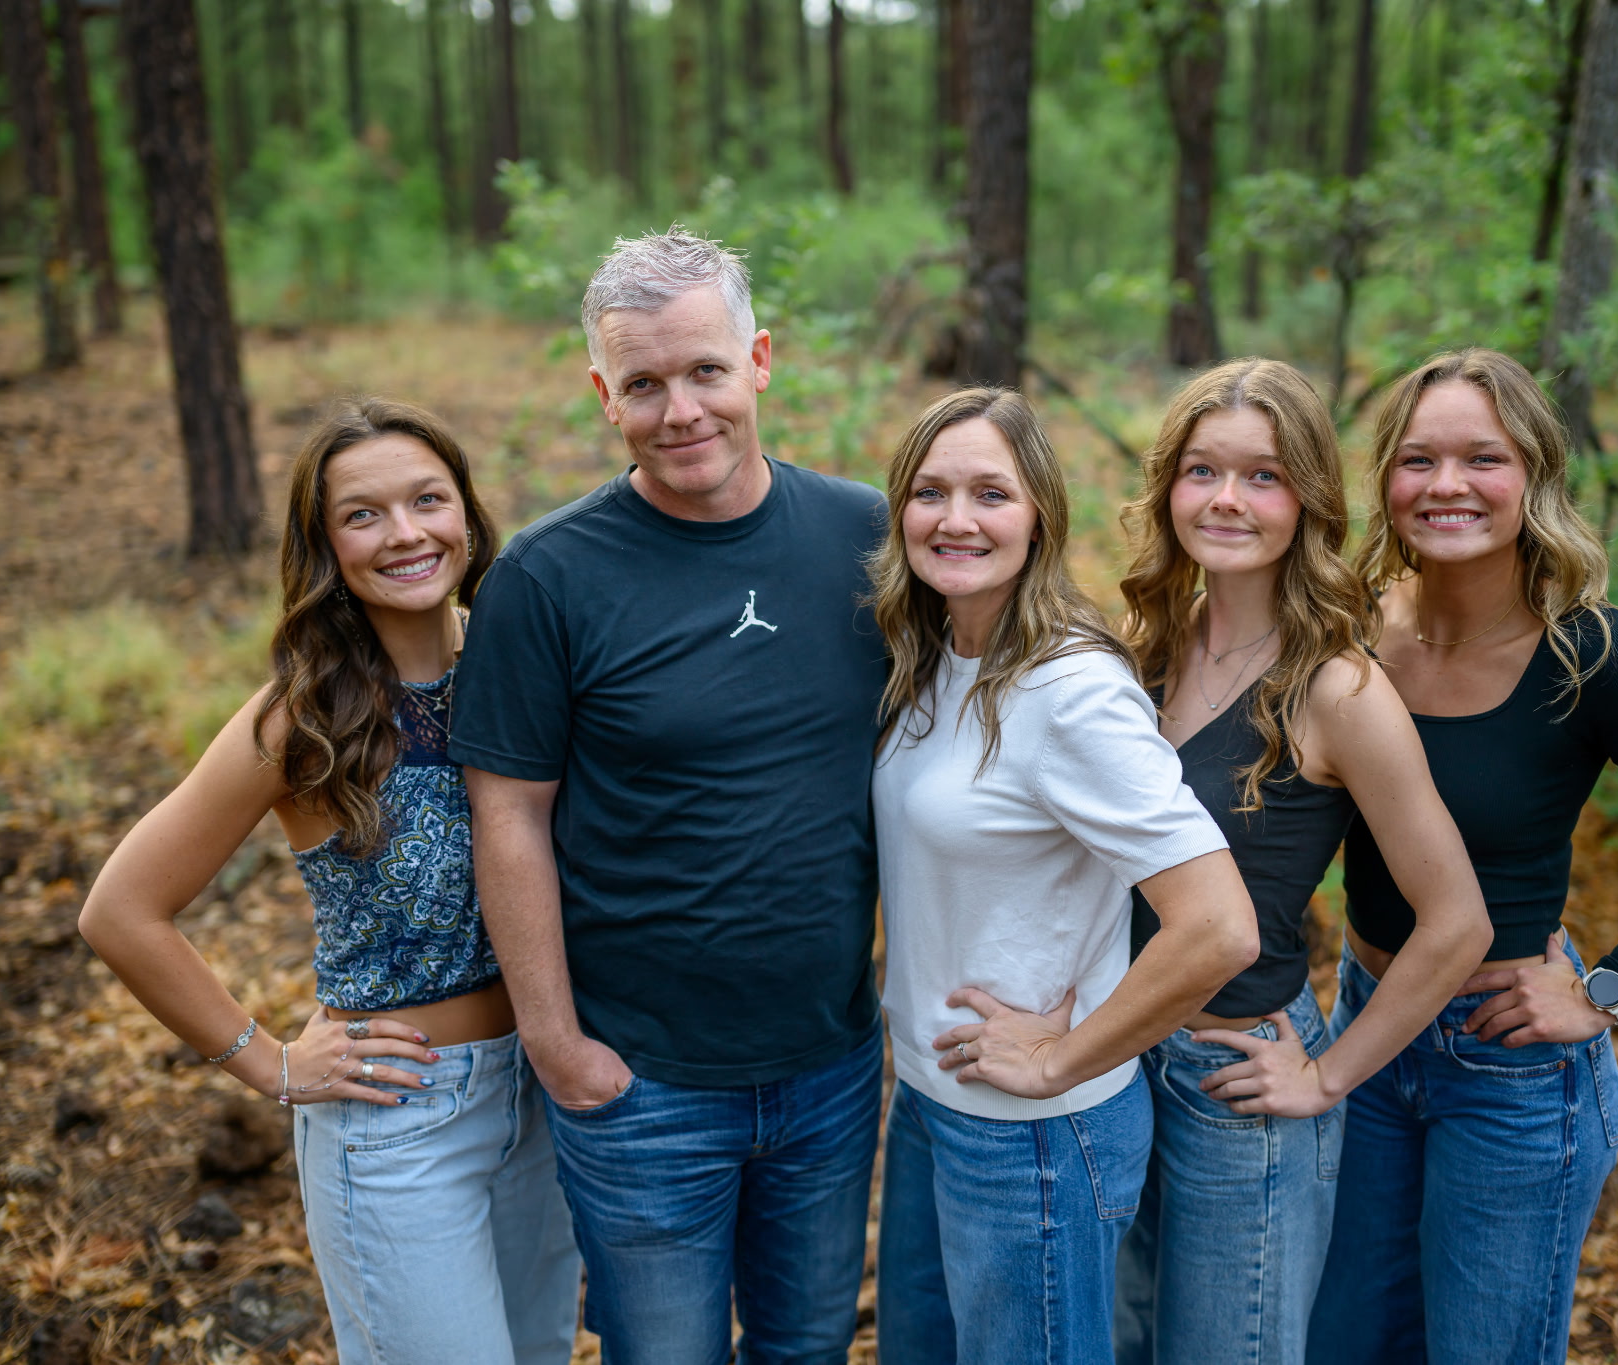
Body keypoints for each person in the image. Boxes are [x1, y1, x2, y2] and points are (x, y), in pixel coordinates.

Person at [447, 228, 888, 1365]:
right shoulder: (546, 579)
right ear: (604, 395)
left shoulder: (867, 538)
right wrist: (555, 1044)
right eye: (643, 384)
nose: (679, 409)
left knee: (802, 1352)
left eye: (703, 370)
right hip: (640, 1084)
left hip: (828, 1061)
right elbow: (508, 817)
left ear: (760, 361)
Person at [78, 399, 581, 1365]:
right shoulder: (304, 714)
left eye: (427, 499)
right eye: (363, 514)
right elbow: (122, 910)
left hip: (543, 1093)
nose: (405, 534)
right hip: (399, 1119)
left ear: (468, 516)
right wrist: (266, 1064)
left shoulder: (524, 663)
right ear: (324, 545)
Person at [1308, 348, 1618, 1365]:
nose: (1446, 486)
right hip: (1366, 1033)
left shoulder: (1597, 659)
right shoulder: (1344, 637)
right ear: (1384, 477)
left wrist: (1607, 992)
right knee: (1341, 1343)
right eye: (1417, 459)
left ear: (1533, 476)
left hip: (1508, 1068)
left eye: (1483, 458)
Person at [1108, 358, 1491, 1365]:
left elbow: (1455, 919)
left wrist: (1326, 1079)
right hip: (1106, 1061)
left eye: (1262, 476)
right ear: (1167, 488)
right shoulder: (1141, 650)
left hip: (1232, 1081)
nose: (1226, 499)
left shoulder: (1336, 687)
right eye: (1201, 471)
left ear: (1308, 500)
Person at [871, 386, 1261, 1365]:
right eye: (929, 491)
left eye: (989, 494)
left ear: (1039, 513)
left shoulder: (1070, 687)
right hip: (930, 1101)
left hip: (1033, 1138)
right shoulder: (930, 658)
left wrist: (1062, 1056)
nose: (955, 519)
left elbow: (1216, 928)